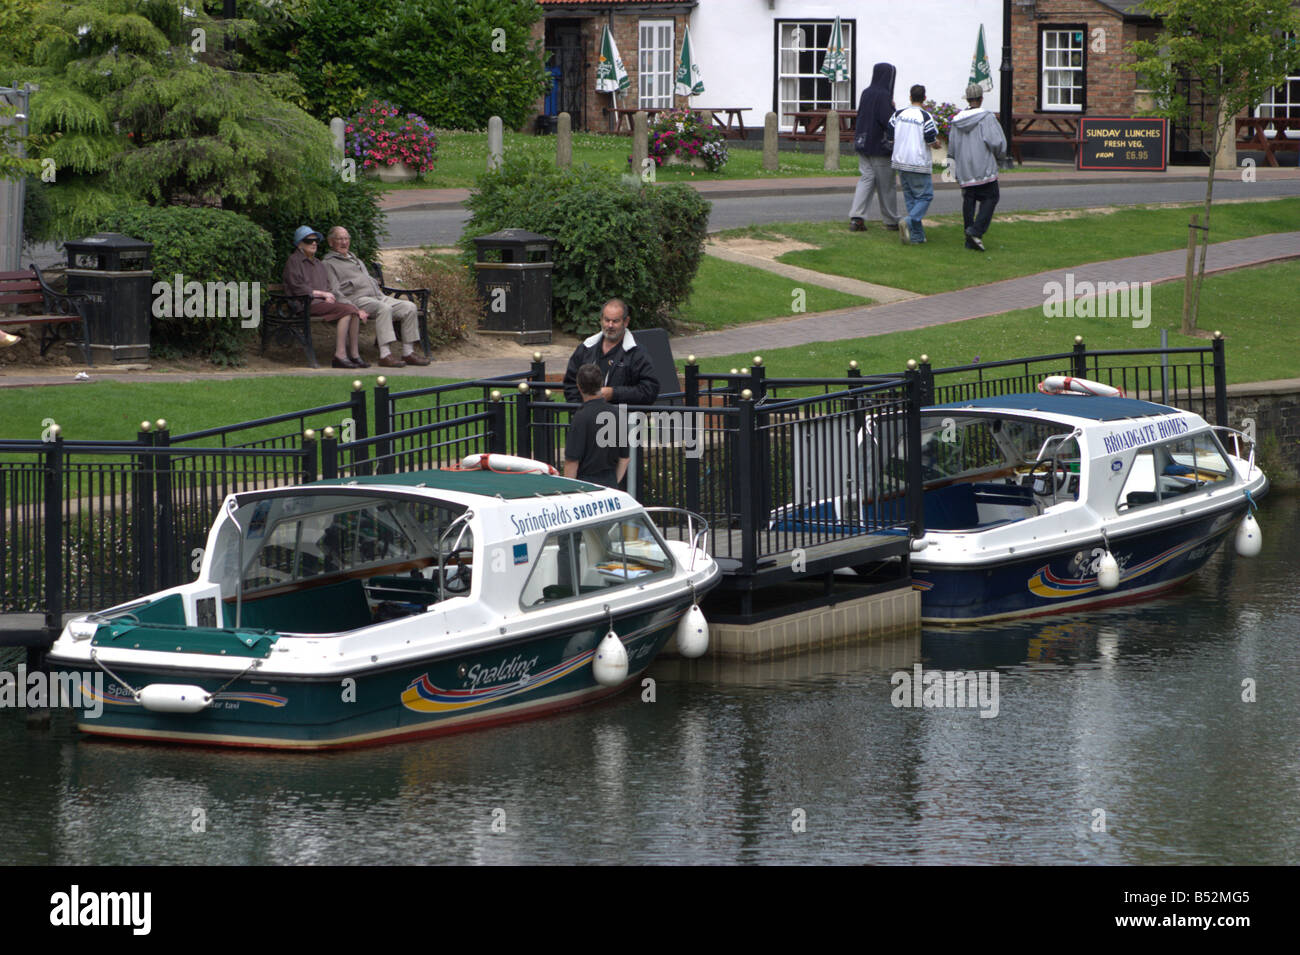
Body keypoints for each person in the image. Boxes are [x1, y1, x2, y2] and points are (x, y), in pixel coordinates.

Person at [322, 226, 429, 368]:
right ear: (331, 242)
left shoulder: (356, 260)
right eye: (339, 239)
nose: (344, 242)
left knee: (409, 307)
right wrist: (352, 307)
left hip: (377, 296)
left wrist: (379, 294)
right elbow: (335, 291)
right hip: (357, 299)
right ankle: (385, 355)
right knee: (383, 309)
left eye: (346, 238)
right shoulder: (328, 263)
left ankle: (408, 353)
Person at [282, 225, 368, 368]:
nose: (314, 243)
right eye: (309, 241)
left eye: (315, 240)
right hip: (303, 304)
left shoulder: (318, 264)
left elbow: (327, 287)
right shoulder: (294, 261)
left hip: (320, 304)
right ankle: (340, 356)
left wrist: (328, 296)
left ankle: (354, 355)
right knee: (348, 310)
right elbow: (297, 287)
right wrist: (321, 294)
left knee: (352, 311)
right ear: (299, 244)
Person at [561, 299, 659, 405]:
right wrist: (581, 409)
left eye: (615, 321)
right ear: (601, 320)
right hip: (587, 418)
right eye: (607, 320)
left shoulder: (637, 353)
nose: (610, 325)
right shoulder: (586, 348)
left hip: (622, 419)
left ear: (626, 322)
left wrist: (614, 393)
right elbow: (570, 384)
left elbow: (649, 391)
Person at [948, 83, 1007, 252]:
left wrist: (951, 172)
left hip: (964, 169)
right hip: (983, 167)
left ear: (967, 99)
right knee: (991, 197)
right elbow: (997, 142)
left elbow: (951, 148)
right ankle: (975, 231)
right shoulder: (987, 117)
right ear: (981, 98)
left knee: (969, 200)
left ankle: (970, 240)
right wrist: (1000, 157)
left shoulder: (956, 121)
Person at [848, 62, 901, 233]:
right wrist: (894, 109)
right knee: (886, 185)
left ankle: (857, 217)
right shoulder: (883, 95)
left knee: (866, 179)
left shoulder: (866, 93)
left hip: (863, 142)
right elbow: (888, 121)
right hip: (880, 146)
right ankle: (891, 220)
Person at [564, 363, 629, 488]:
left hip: (585, 485)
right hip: (610, 483)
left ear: (579, 386)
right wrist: (613, 482)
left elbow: (571, 462)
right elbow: (624, 458)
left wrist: (569, 491)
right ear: (602, 384)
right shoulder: (618, 414)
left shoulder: (580, 418)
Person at [890, 84, 939, 245]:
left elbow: (890, 134)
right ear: (924, 98)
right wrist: (937, 145)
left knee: (911, 198)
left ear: (910, 97)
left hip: (900, 161)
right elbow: (931, 138)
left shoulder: (898, 114)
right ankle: (909, 221)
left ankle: (917, 237)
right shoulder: (925, 117)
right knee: (925, 196)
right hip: (918, 162)